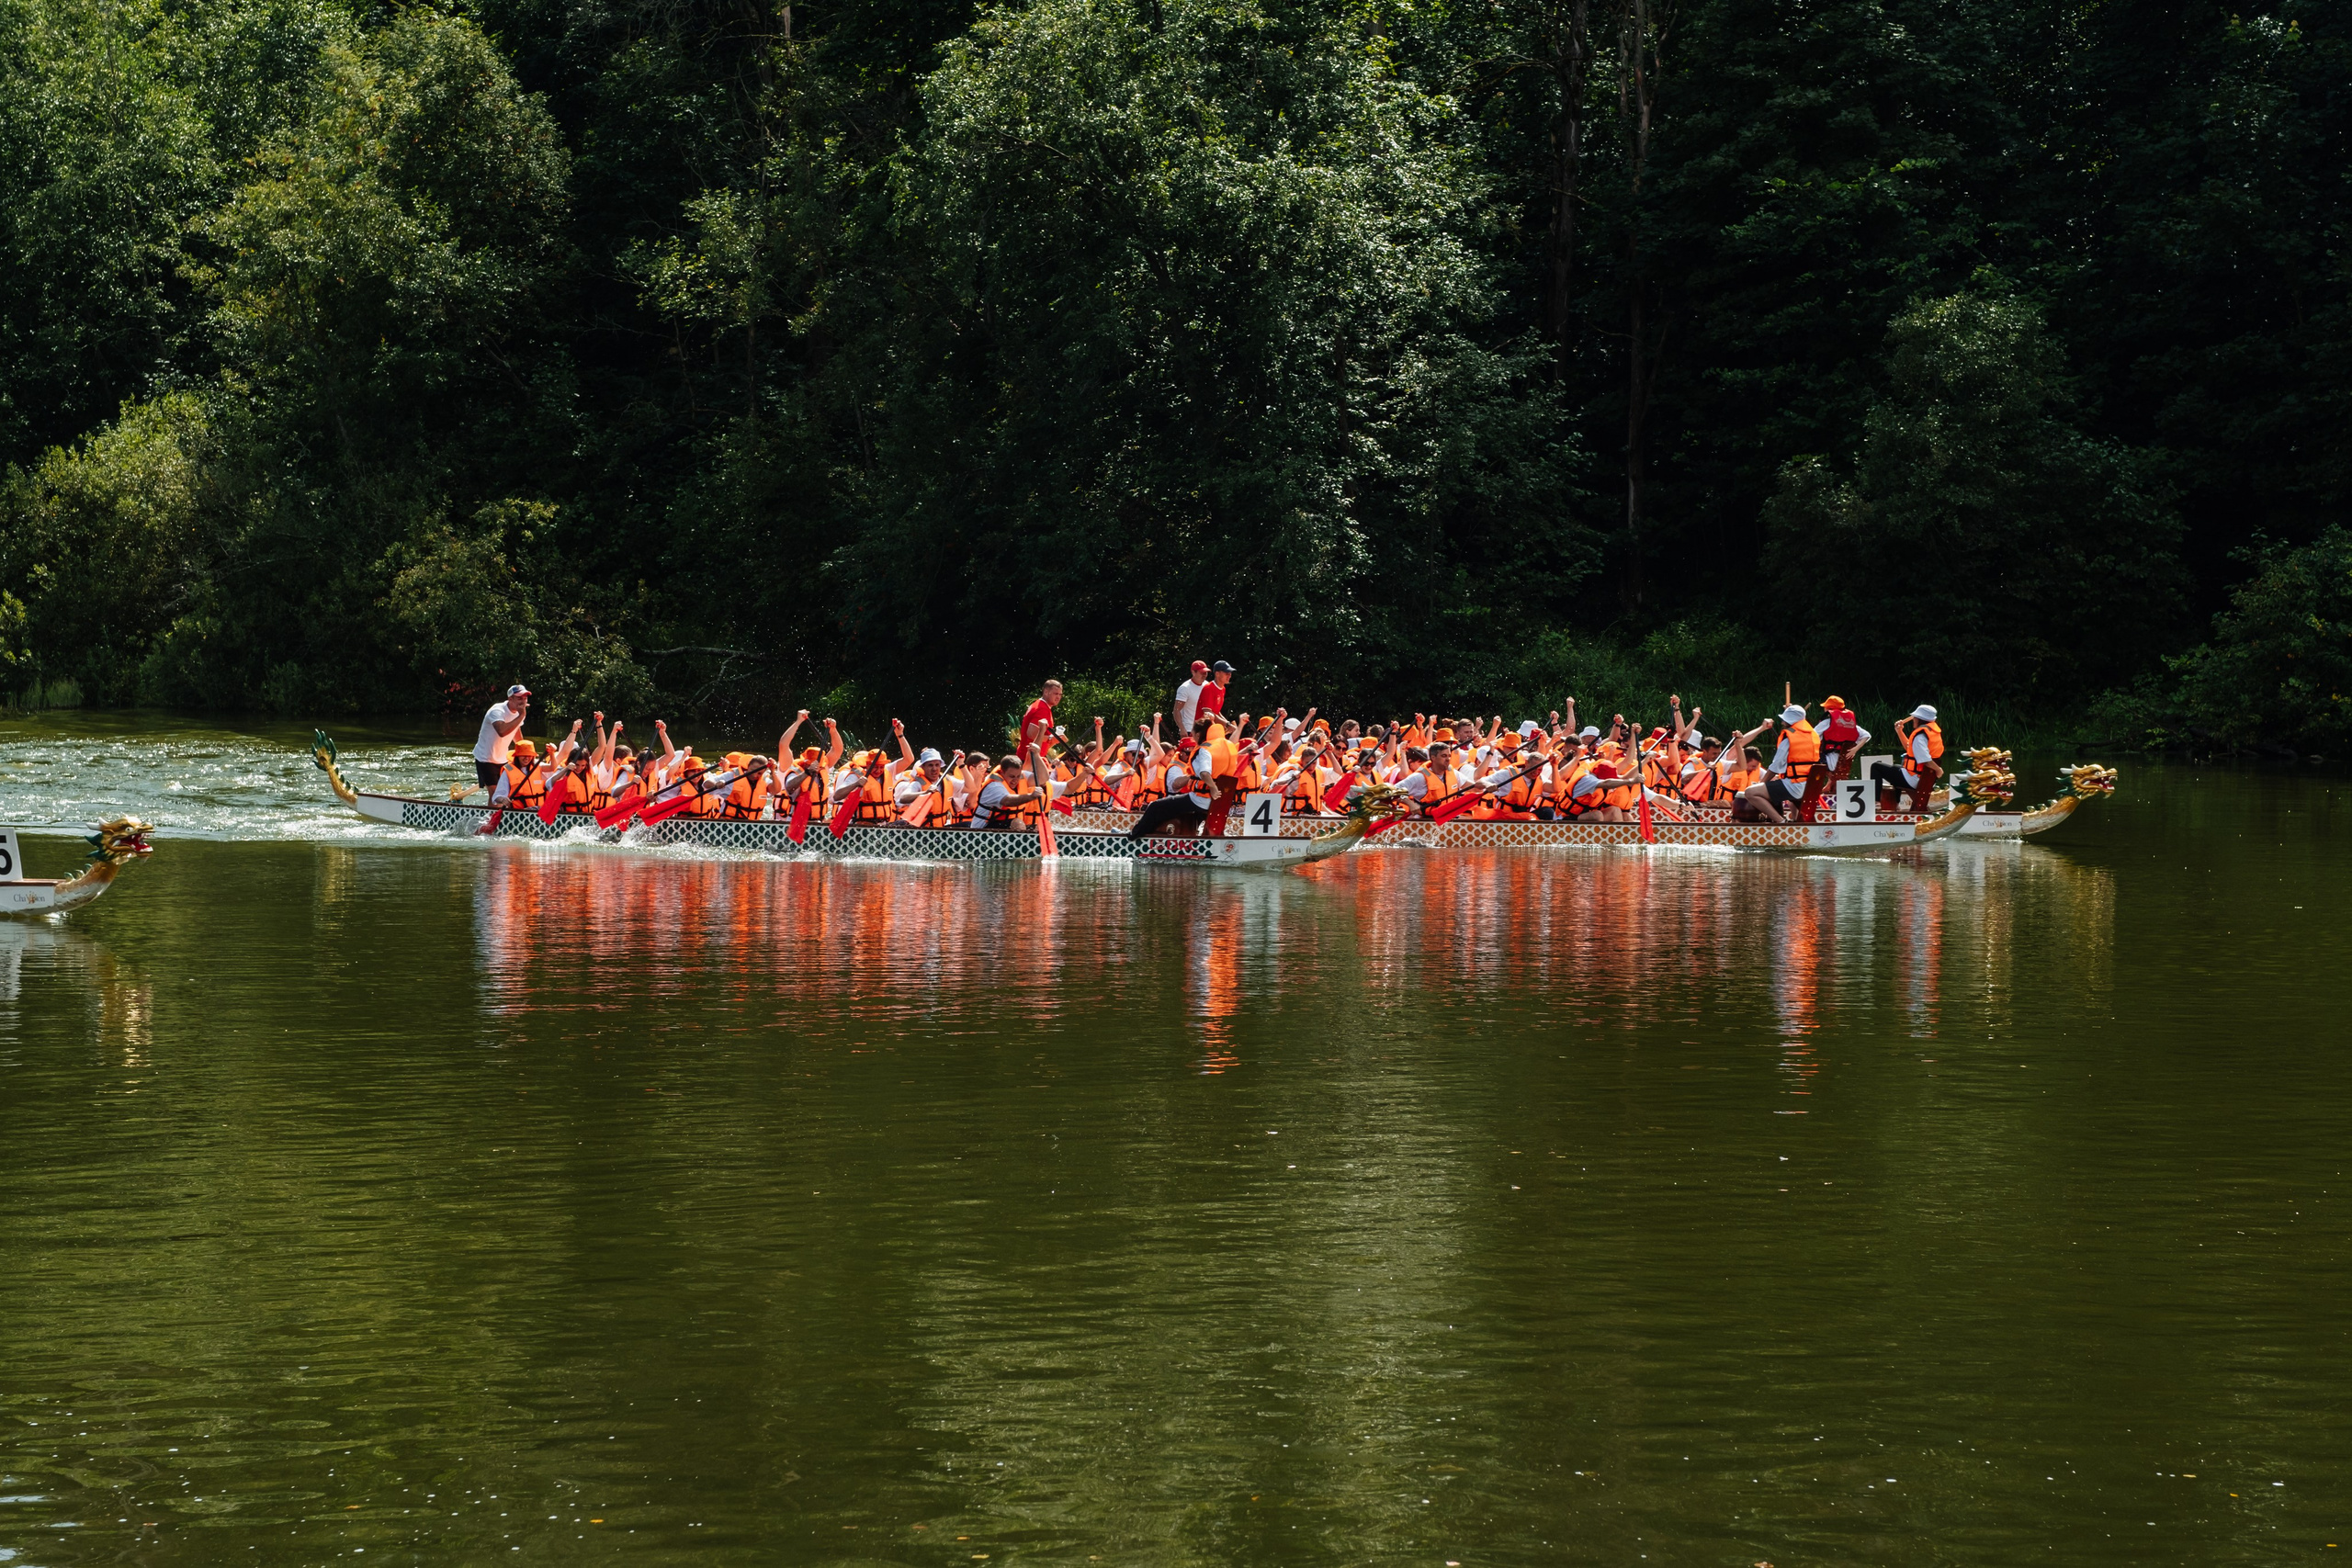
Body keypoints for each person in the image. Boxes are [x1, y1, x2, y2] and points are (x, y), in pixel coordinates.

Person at [1876, 704, 1944, 811]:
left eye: (1915, 717)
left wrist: (1938, 770)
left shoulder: (1920, 736)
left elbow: (1925, 760)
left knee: (1876, 767)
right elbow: (1910, 748)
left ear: (1920, 719)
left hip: (1916, 779)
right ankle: (1896, 806)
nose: (1914, 719)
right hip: (1924, 778)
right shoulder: (1931, 733)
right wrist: (1899, 731)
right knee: (1895, 769)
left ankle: (1877, 803)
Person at [471, 684, 530, 793]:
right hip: (486, 758)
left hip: (503, 759)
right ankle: (492, 810)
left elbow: (516, 730)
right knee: (495, 794)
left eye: (525, 698)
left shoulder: (519, 712)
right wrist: (521, 716)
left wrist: (525, 752)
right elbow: (502, 731)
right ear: (510, 699)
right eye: (519, 698)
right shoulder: (497, 711)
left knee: (507, 791)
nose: (523, 701)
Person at [972, 755, 1045, 829]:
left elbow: (1043, 778)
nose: (1015, 780)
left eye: (1018, 776)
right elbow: (1007, 801)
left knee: (1039, 827)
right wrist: (1031, 796)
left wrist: (1037, 754)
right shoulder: (994, 786)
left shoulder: (1021, 776)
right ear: (1002, 772)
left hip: (1004, 827)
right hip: (982, 831)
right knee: (1017, 823)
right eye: (1012, 776)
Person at [1020, 682, 1063, 754]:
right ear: (1046, 692)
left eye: (1060, 694)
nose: (1058, 697)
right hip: (1031, 758)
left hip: (1032, 756)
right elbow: (1032, 734)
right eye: (1055, 694)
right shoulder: (1042, 709)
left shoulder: (1041, 705)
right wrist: (1051, 739)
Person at [1173, 661, 1209, 736]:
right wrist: (1182, 729)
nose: (1205, 675)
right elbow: (1176, 711)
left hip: (1205, 729)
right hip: (1190, 730)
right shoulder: (1185, 688)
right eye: (1202, 673)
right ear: (1193, 672)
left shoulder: (1207, 685)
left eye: (1206, 673)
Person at [1197, 660, 1235, 724]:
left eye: (1230, 673)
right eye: (1227, 673)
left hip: (1211, 727)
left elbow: (1216, 711)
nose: (1230, 675)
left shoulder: (1223, 689)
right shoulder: (1209, 688)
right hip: (1202, 729)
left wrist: (1227, 723)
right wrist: (1227, 725)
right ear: (1217, 674)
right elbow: (1207, 712)